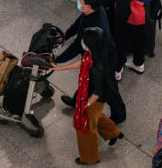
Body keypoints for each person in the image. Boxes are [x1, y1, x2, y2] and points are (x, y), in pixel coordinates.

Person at [51, 27, 123, 165]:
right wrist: (59, 68)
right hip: (94, 98)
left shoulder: (97, 68)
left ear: (90, 44)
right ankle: (114, 133)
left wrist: (84, 105)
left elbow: (97, 92)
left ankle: (90, 158)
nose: (82, 41)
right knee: (96, 116)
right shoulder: (95, 54)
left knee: (86, 129)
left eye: (84, 40)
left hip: (93, 98)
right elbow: (82, 63)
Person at [56, 0, 119, 113]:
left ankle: (119, 114)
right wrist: (66, 36)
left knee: (110, 88)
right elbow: (79, 22)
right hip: (94, 54)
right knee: (87, 81)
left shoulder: (94, 24)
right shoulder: (93, 10)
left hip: (103, 59)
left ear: (88, 6)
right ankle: (76, 101)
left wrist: (58, 59)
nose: (78, 0)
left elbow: (77, 46)